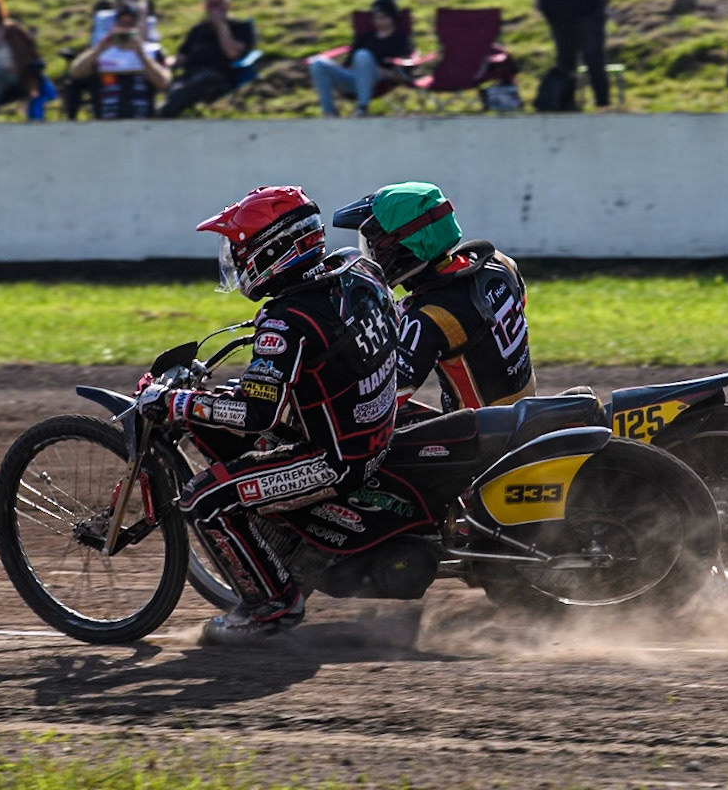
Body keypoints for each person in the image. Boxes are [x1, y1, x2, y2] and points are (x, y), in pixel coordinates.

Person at [135, 186, 399, 645]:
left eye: (239, 251)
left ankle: (271, 607)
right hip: (374, 423)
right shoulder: (353, 270)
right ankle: (285, 547)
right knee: (233, 433)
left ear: (271, 251)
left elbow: (256, 413)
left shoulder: (285, 320)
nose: (234, 263)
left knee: (204, 498)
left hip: (336, 460)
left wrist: (178, 402)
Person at [331, 182, 534, 421]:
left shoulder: (430, 316)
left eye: (374, 245)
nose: (371, 254)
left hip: (481, 438)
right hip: (522, 411)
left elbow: (383, 399)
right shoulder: (500, 264)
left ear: (403, 247)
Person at [531, 0, 617, 110]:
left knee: (593, 54)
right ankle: (566, 102)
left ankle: (602, 101)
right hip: (556, 5)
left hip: (590, 3)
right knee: (565, 57)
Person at [308, 0, 411, 117]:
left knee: (363, 55)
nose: (379, 22)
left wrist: (386, 72)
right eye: (376, 18)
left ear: (393, 18)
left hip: (379, 80)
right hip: (354, 79)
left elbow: (404, 72)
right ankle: (329, 112)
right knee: (317, 63)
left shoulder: (399, 40)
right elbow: (348, 65)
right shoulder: (365, 38)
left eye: (383, 18)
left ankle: (362, 108)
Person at [158, 0, 254, 118]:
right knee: (175, 87)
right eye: (211, 5)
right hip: (190, 75)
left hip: (218, 76)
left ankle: (163, 113)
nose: (215, 8)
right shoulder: (198, 30)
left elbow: (232, 53)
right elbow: (182, 56)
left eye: (218, 4)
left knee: (190, 88)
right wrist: (164, 63)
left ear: (228, 5)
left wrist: (220, 25)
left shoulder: (239, 27)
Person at [67, 0, 170, 119]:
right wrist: (100, 49)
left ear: (140, 27)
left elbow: (164, 83)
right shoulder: (101, 50)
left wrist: (141, 54)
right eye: (123, 24)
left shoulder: (151, 52)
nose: (126, 29)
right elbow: (76, 73)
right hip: (106, 116)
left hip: (141, 116)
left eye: (131, 25)